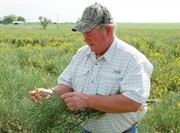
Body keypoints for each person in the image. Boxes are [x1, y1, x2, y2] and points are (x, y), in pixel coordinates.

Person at [29, 3, 153, 133]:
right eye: (83, 33)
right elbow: (67, 84)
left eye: (89, 33)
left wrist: (87, 101)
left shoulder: (132, 59)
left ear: (108, 30)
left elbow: (133, 102)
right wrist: (50, 93)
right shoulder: (82, 54)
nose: (85, 39)